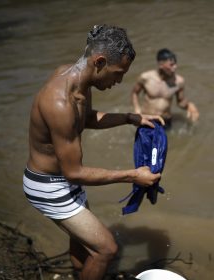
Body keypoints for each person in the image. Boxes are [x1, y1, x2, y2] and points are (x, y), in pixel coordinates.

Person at [23, 24, 165, 280]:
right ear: (99, 62)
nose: (120, 81)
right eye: (118, 73)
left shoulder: (78, 81)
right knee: (106, 249)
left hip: (65, 180)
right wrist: (133, 175)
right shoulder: (60, 102)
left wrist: (132, 117)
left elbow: (85, 118)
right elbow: (74, 172)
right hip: (48, 186)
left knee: (82, 247)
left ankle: (80, 274)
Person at [131, 48, 199, 128]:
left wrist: (189, 105)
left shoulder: (178, 82)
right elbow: (135, 93)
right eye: (171, 64)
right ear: (161, 65)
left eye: (175, 64)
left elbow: (180, 102)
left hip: (165, 120)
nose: (175, 67)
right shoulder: (145, 78)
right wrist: (137, 109)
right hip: (147, 119)